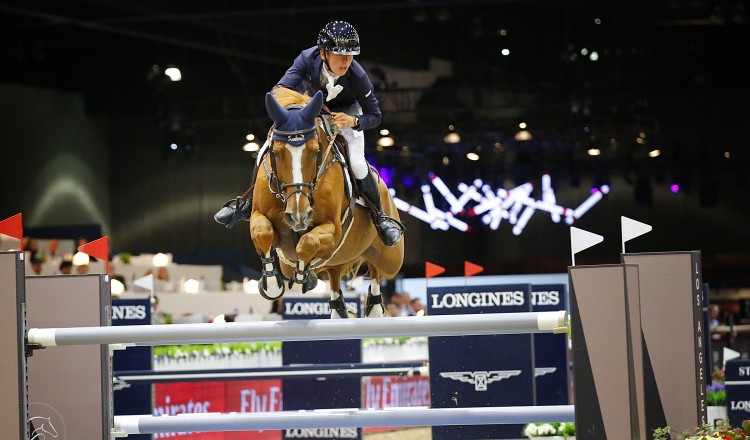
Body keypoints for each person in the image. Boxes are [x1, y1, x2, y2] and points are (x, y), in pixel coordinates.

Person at [213, 20, 403, 247]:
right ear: (323, 53)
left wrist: (354, 121)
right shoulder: (306, 59)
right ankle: (246, 202)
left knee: (358, 163)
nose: (346, 61)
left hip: (345, 116)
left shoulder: (358, 76)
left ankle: (379, 216)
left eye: (350, 55)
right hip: (308, 113)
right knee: (267, 148)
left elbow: (375, 115)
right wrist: (294, 112)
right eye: (339, 55)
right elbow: (281, 91)